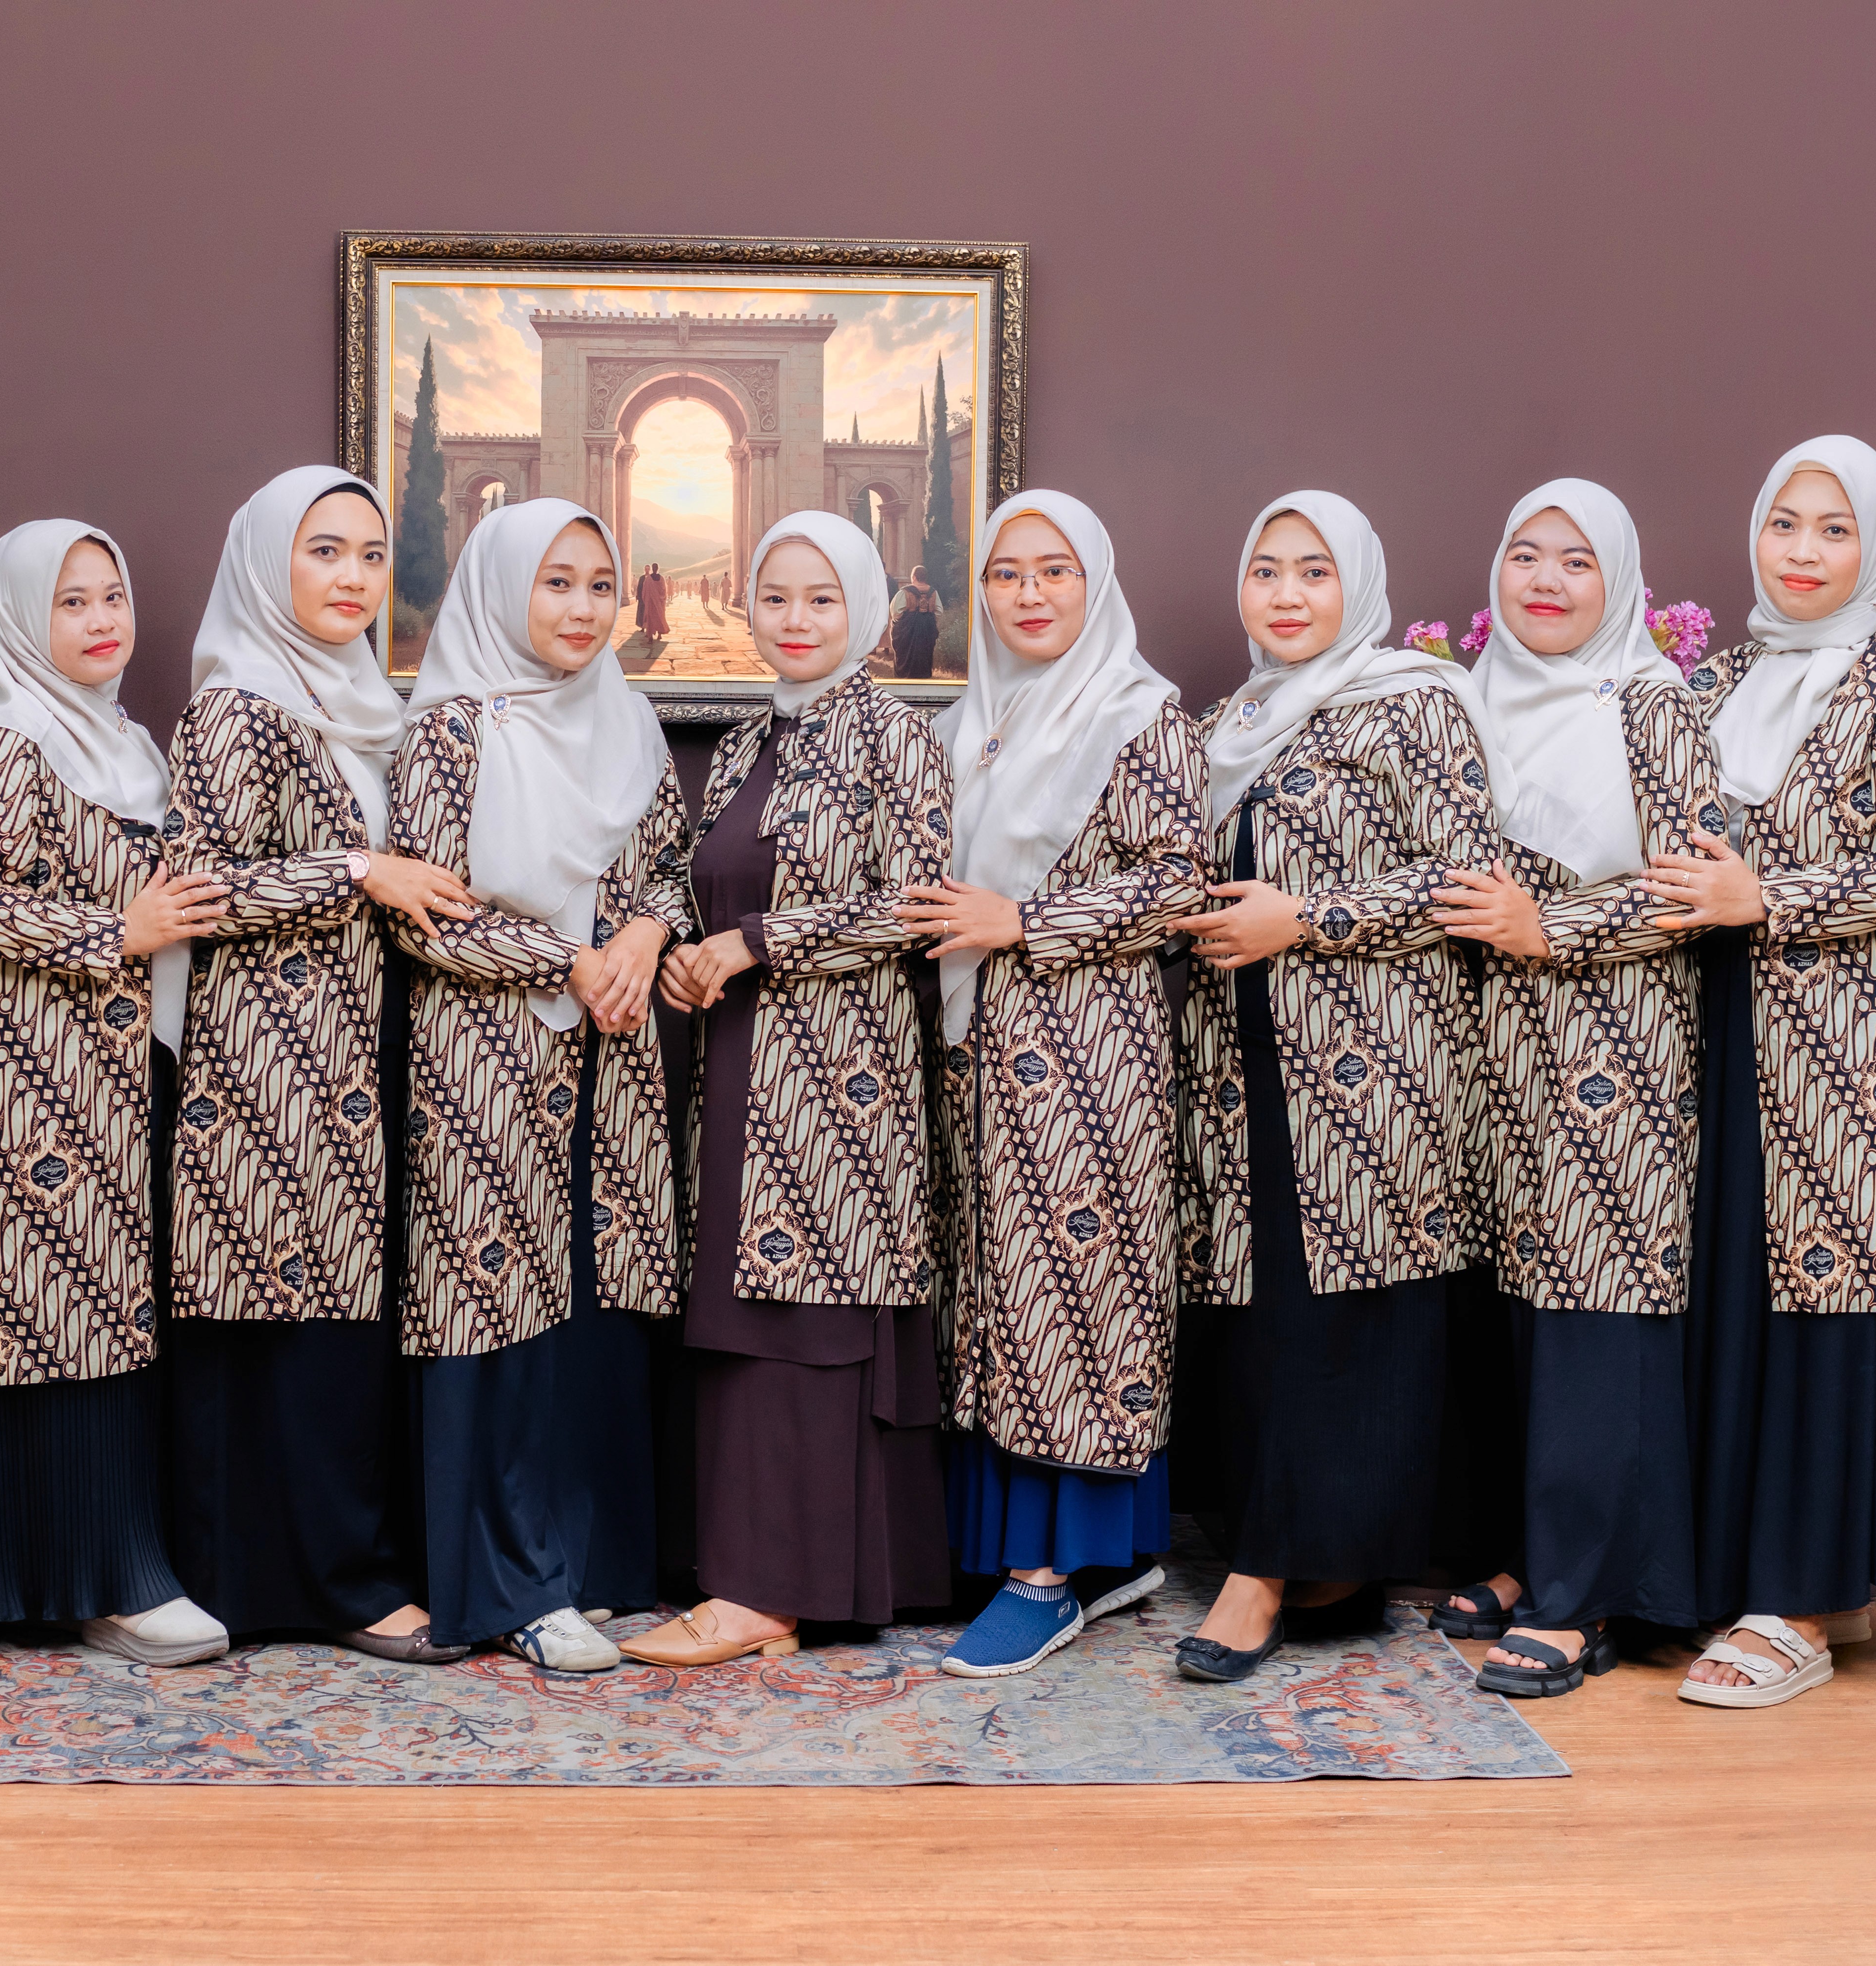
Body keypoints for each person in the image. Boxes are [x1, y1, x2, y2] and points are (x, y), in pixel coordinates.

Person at [1646, 436, 1876, 1707]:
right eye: (1785, 522)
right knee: (1741, 1293)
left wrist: (1762, 893)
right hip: (1728, 1024)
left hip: (1855, 1050)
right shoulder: (1724, 676)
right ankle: (1758, 1571)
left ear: (1875, 546)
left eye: (1834, 530)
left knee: (1833, 1304)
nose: (1803, 550)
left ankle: (1808, 1602)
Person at [1169, 491, 1502, 1682]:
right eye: (1267, 570)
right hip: (1237, 1060)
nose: (1289, 594)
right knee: (1271, 1316)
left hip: (1371, 1070)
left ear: (1357, 584)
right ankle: (1329, 1555)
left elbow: (1472, 881)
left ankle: (1265, 1575)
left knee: (1345, 1318)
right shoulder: (1229, 721)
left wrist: (1302, 917)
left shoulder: (1412, 700)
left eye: (1315, 571)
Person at [894, 491, 1212, 1677]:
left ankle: (1045, 1578)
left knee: (1071, 1296)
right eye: (1007, 574)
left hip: (1088, 1051)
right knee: (999, 1297)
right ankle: (1109, 1549)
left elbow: (1178, 884)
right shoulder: (973, 723)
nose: (1030, 594)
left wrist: (1022, 918)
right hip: (982, 1051)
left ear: (1098, 585)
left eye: (1056, 572)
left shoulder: (1139, 714)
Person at [628, 512, 954, 1668]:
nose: (798, 620)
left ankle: (774, 1588)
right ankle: (752, 1565)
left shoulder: (894, 732)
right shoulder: (746, 741)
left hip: (838, 1083)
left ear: (865, 608)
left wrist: (759, 940)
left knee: (802, 1317)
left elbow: (917, 902)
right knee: (739, 1311)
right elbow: (687, 869)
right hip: (738, 1065)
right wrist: (674, 933)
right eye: (777, 597)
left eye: (823, 598)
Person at [160, 468, 473, 1663]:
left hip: (347, 1045)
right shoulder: (236, 706)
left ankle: (304, 1573)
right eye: (322, 553)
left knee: (328, 1311)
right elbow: (198, 887)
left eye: (367, 556)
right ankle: (325, 1583)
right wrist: (356, 868)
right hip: (263, 1060)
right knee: (279, 1317)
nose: (349, 579)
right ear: (265, 569)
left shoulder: (358, 702)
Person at [389, 498, 693, 1672]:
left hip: (607, 1055)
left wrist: (645, 932)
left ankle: (597, 1561)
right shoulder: (450, 732)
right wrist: (561, 955)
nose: (580, 608)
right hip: (484, 1063)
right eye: (555, 582)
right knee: (496, 1316)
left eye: (598, 585)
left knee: (595, 1301)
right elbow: (431, 918)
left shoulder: (628, 720)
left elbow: (663, 862)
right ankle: (511, 1581)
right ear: (503, 589)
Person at [1423, 480, 1712, 1697]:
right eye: (1524, 555)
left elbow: (1694, 880)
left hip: (1617, 1047)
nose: (1544, 579)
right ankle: (1526, 1550)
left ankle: (1585, 1594)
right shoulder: (1474, 701)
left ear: (1620, 583)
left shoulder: (1652, 702)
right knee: (1517, 1314)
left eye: (1576, 563)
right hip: (1493, 1048)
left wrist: (1551, 926)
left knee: (1599, 1311)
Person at [0, 520, 232, 1665]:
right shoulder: (3, 741)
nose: (104, 620)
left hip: (115, 1068)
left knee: (111, 1314)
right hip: (28, 1072)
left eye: (114, 595)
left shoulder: (122, 743)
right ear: (20, 619)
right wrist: (124, 928)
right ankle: (91, 1581)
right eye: (72, 604)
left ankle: (110, 1567)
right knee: (54, 1319)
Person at [887, 563, 941, 679]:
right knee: (924, 655)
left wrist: (906, 622)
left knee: (905, 657)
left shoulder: (905, 592)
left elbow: (896, 613)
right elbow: (939, 612)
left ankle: (905, 678)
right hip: (926, 632)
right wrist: (927, 620)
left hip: (907, 634)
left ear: (915, 578)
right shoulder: (933, 593)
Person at [635, 562, 670, 642]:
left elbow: (645, 591)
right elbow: (664, 592)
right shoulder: (661, 579)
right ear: (657, 569)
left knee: (651, 619)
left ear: (653, 569)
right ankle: (659, 634)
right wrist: (661, 599)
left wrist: (646, 599)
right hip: (659, 604)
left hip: (651, 603)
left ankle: (651, 638)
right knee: (660, 617)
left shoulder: (649, 579)